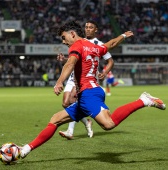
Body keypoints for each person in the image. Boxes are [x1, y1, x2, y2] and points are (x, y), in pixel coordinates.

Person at [19, 21, 166, 159]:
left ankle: (143, 100)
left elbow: (70, 63)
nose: (63, 41)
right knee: (55, 120)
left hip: (90, 93)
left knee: (108, 124)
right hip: (86, 94)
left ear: (72, 34)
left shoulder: (76, 46)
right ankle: (24, 150)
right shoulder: (93, 46)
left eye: (64, 38)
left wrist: (59, 82)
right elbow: (110, 44)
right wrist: (122, 36)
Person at [58, 20, 114, 139]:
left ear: (95, 30)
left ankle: (70, 130)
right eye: (86, 27)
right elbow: (74, 60)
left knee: (75, 99)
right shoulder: (79, 42)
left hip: (87, 78)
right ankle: (85, 122)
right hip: (74, 75)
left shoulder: (98, 44)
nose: (88, 29)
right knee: (65, 102)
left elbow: (110, 61)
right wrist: (65, 60)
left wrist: (105, 72)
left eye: (91, 27)